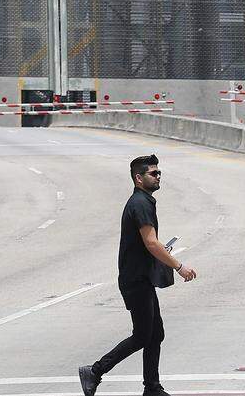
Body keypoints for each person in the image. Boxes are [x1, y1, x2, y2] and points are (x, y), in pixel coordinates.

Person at [80, 155, 198, 396]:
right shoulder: (140, 203)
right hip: (136, 281)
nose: (158, 176)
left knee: (156, 334)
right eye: (153, 173)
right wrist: (178, 266)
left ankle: (152, 388)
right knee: (143, 335)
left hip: (141, 278)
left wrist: (159, 251)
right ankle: (94, 371)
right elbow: (151, 243)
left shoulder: (143, 201)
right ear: (138, 177)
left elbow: (149, 244)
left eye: (159, 172)